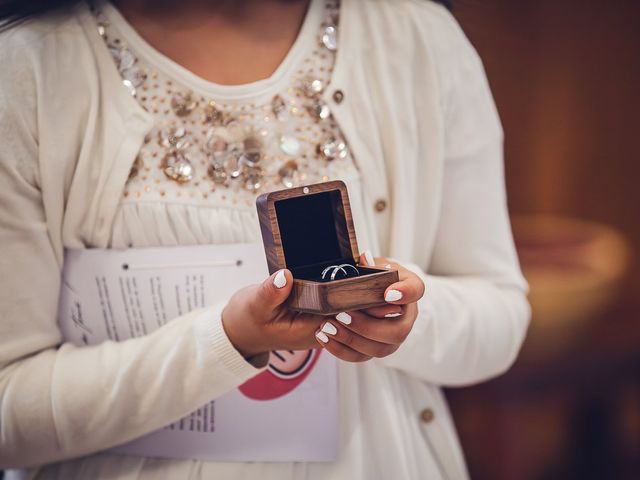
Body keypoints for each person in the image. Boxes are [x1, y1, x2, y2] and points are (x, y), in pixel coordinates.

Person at [0, 0, 530, 478]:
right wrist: (228, 340)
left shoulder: (419, 39)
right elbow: (9, 408)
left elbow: (500, 319)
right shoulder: (27, 69)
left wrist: (397, 310)